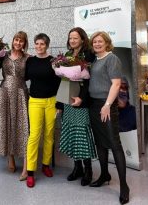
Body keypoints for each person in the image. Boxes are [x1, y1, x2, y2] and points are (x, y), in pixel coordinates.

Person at [88, 31, 130, 205]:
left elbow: (116, 83)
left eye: (100, 41)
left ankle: (124, 187)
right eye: (95, 41)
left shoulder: (111, 58)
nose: (97, 44)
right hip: (93, 105)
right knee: (100, 143)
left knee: (114, 144)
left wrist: (107, 105)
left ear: (107, 43)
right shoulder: (95, 60)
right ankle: (104, 174)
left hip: (107, 105)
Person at [58, 27, 97, 186]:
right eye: (70, 38)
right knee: (72, 134)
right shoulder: (66, 56)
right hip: (67, 101)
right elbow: (63, 80)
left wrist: (81, 98)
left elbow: (90, 81)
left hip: (81, 102)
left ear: (82, 39)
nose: (72, 41)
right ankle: (77, 167)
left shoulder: (89, 55)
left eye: (75, 38)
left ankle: (88, 170)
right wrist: (59, 103)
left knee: (82, 135)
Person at [25, 33, 61, 188]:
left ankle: (46, 165)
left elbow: (60, 82)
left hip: (51, 101)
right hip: (35, 102)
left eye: (42, 44)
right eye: (37, 43)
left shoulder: (54, 61)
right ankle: (31, 171)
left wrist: (59, 104)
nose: (39, 47)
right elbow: (24, 77)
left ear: (47, 45)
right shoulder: (30, 61)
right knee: (34, 135)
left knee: (49, 135)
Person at [0, 31, 29, 181]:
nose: (18, 43)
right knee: (6, 123)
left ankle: (27, 166)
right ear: (13, 40)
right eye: (16, 40)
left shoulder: (28, 58)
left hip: (21, 92)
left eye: (21, 41)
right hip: (4, 92)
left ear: (24, 43)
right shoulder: (2, 56)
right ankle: (11, 157)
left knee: (24, 125)